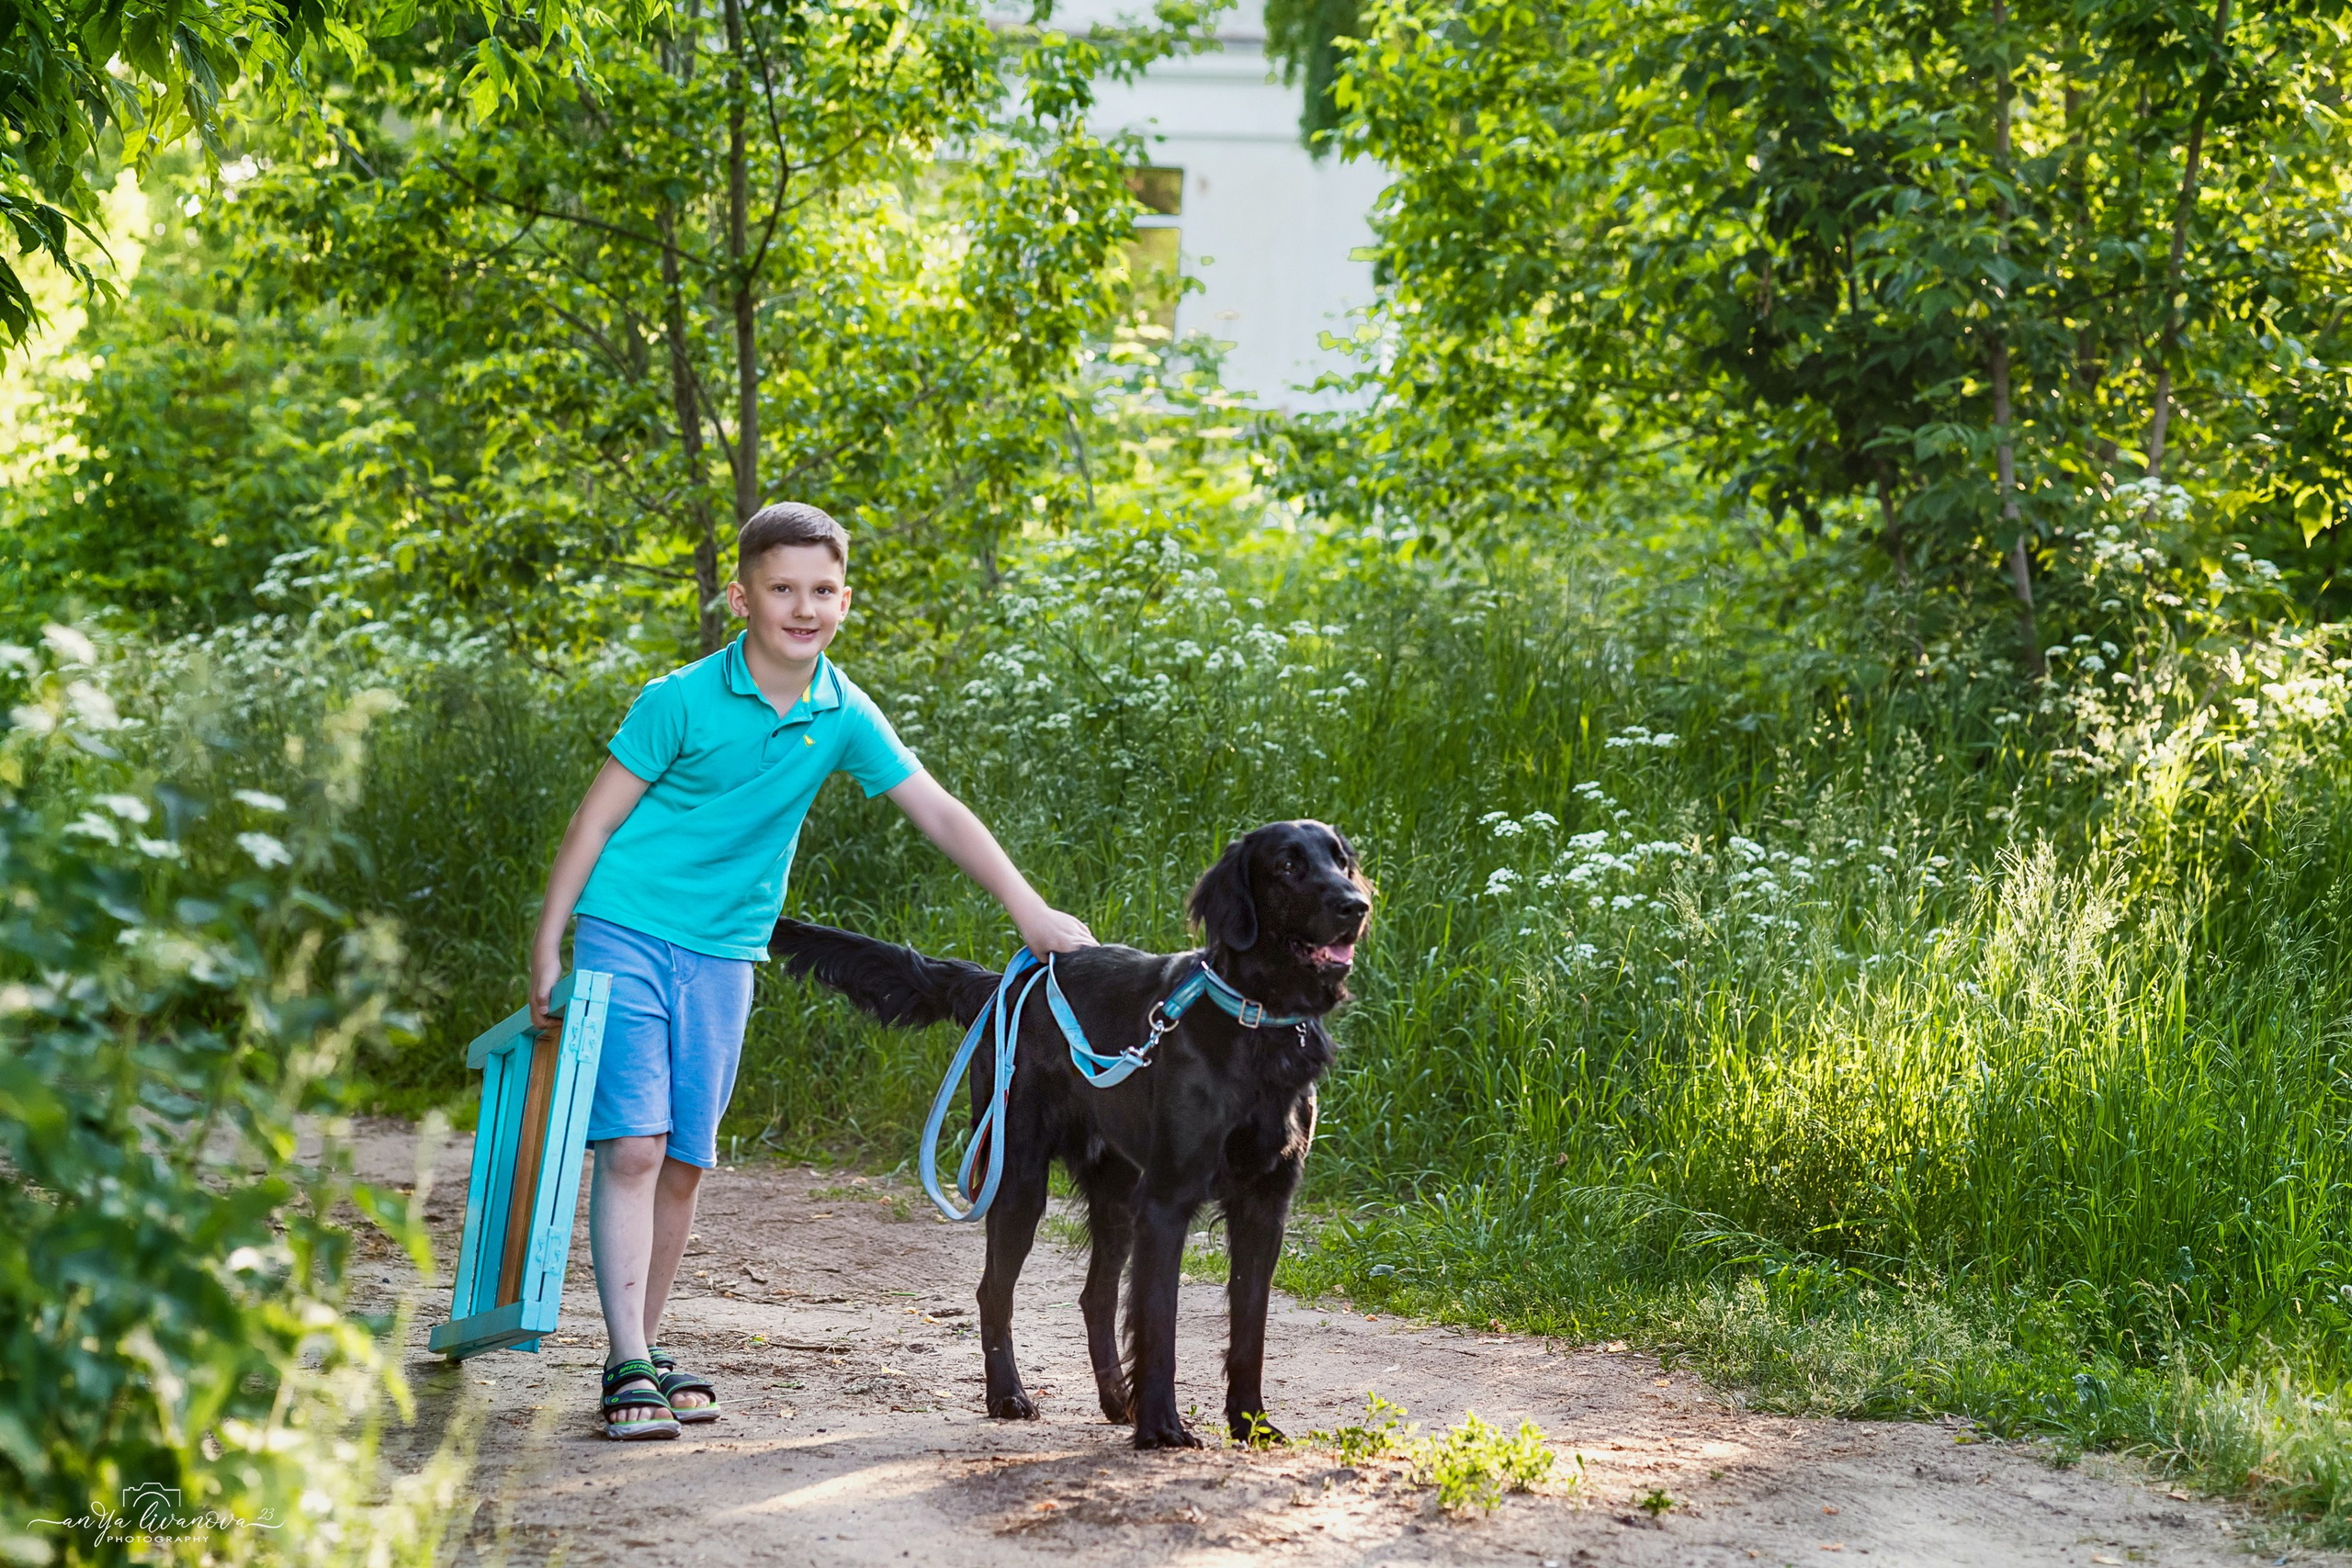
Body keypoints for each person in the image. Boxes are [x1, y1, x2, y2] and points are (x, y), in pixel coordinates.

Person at [527, 501, 1093, 1439]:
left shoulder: (839, 710)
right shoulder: (679, 699)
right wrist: (547, 948)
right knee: (631, 1145)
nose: (803, 606)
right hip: (625, 926)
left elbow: (939, 811)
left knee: (684, 1162)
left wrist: (1027, 910)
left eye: (821, 590)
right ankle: (624, 1359)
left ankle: (647, 1344)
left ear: (844, 599)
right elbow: (593, 823)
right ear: (741, 594)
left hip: (724, 951)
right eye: (782, 588)